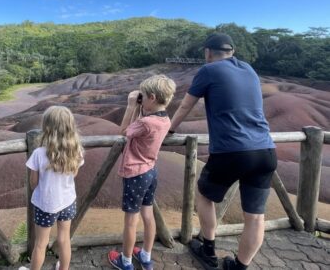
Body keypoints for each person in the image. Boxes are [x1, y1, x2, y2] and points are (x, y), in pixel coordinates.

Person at [169, 33, 277, 270]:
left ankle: (208, 251)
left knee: (204, 196)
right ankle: (239, 266)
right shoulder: (249, 69)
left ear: (207, 52)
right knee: (256, 216)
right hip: (266, 150)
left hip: (232, 151)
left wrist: (171, 129)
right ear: (232, 52)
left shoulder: (209, 70)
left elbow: (187, 104)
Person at [108, 75, 176, 270]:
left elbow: (123, 131)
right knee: (148, 215)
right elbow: (141, 125)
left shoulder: (145, 123)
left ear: (152, 97)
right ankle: (146, 256)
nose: (141, 98)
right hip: (150, 171)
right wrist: (141, 108)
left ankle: (126, 261)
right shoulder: (164, 120)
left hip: (136, 173)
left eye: (144, 96)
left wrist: (131, 106)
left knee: (131, 220)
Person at [20, 106, 84, 270]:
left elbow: (33, 182)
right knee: (64, 239)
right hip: (68, 201)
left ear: (47, 128)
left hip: (46, 204)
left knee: (41, 244)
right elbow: (74, 174)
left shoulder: (39, 154)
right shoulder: (76, 151)